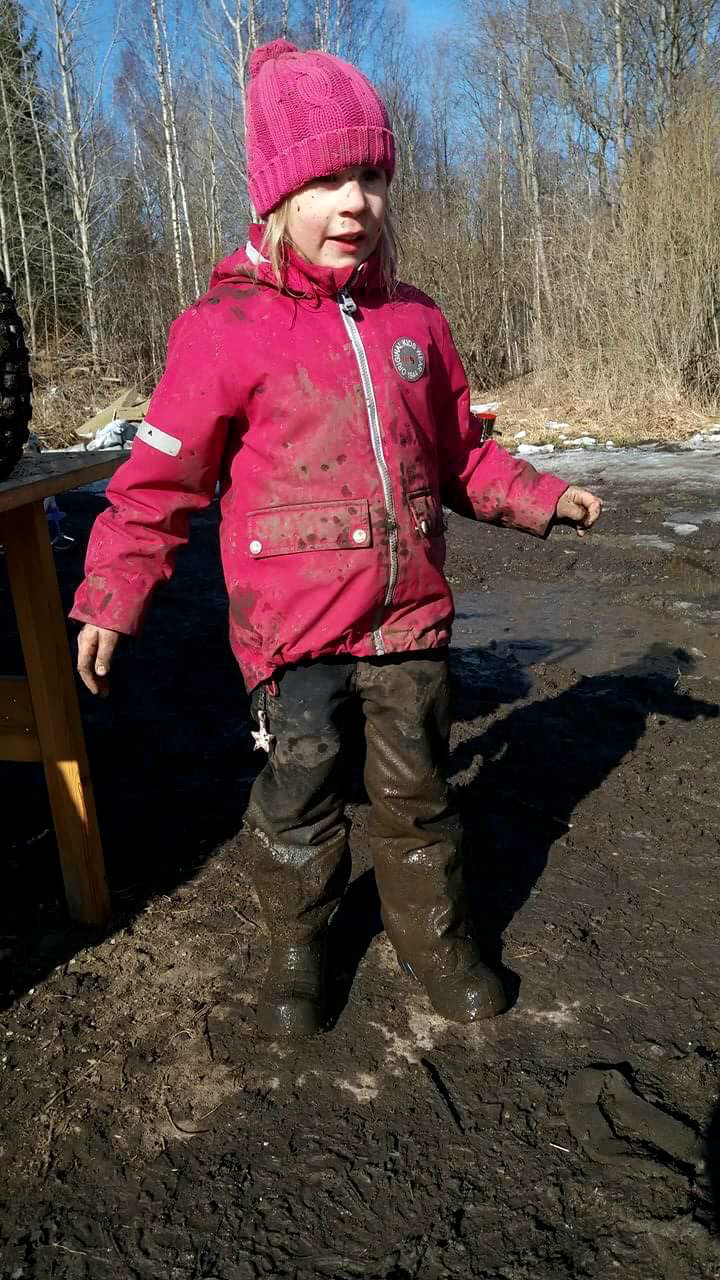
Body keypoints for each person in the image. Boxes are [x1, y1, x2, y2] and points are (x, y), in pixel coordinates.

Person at [72, 39, 602, 1039]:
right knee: (300, 801)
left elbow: (460, 454)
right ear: (277, 195)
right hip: (293, 634)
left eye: (371, 176)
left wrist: (539, 495)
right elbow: (158, 482)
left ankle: (437, 942)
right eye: (326, 180)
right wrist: (112, 588)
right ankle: (297, 951)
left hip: (408, 624)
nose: (355, 201)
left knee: (419, 797)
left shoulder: (416, 323)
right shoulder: (223, 327)